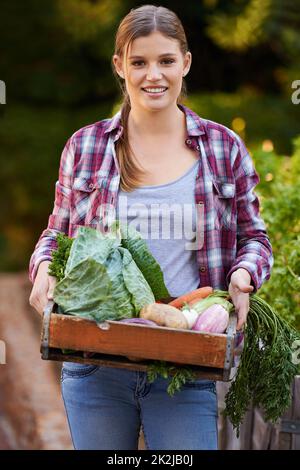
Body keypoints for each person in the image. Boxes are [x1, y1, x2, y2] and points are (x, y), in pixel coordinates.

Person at [29, 4, 273, 450]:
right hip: (96, 356)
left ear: (186, 62)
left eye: (165, 60)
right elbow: (56, 234)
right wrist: (44, 265)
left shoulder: (223, 147)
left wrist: (243, 275)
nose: (153, 75)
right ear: (120, 66)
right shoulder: (86, 146)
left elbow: (254, 237)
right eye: (139, 62)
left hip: (185, 362)